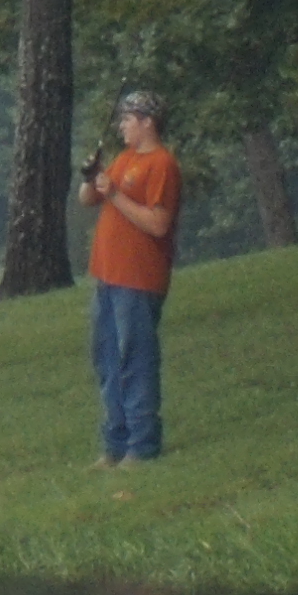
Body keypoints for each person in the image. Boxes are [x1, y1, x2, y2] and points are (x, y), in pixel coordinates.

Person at [77, 88, 182, 466]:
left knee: (135, 360)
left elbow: (158, 223)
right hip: (107, 276)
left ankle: (142, 445)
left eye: (128, 119)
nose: (122, 126)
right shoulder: (123, 159)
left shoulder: (162, 164)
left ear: (147, 122)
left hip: (139, 280)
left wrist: (116, 194)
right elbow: (88, 200)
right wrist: (93, 176)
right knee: (106, 360)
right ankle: (114, 445)